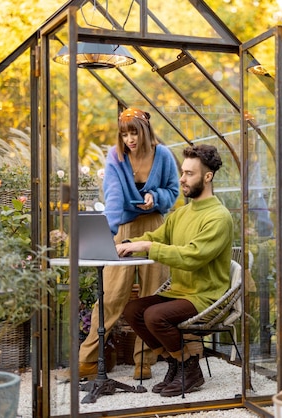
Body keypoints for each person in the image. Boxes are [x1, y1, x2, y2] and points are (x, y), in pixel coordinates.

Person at [117, 144, 233, 397]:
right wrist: (125, 245)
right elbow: (155, 236)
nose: (181, 178)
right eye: (182, 172)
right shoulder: (180, 214)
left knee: (155, 316)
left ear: (207, 176)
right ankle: (176, 363)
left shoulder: (218, 217)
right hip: (180, 292)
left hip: (206, 296)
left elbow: (192, 257)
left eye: (189, 173)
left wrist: (148, 246)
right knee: (133, 310)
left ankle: (189, 368)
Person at [75, 107, 179, 381]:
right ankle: (86, 360)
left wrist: (155, 198)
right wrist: (109, 234)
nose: (130, 139)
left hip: (155, 228)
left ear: (145, 131)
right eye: (124, 134)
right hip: (123, 229)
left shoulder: (164, 155)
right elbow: (112, 197)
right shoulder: (116, 157)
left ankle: (144, 362)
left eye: (134, 132)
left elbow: (173, 190)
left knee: (151, 296)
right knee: (111, 294)